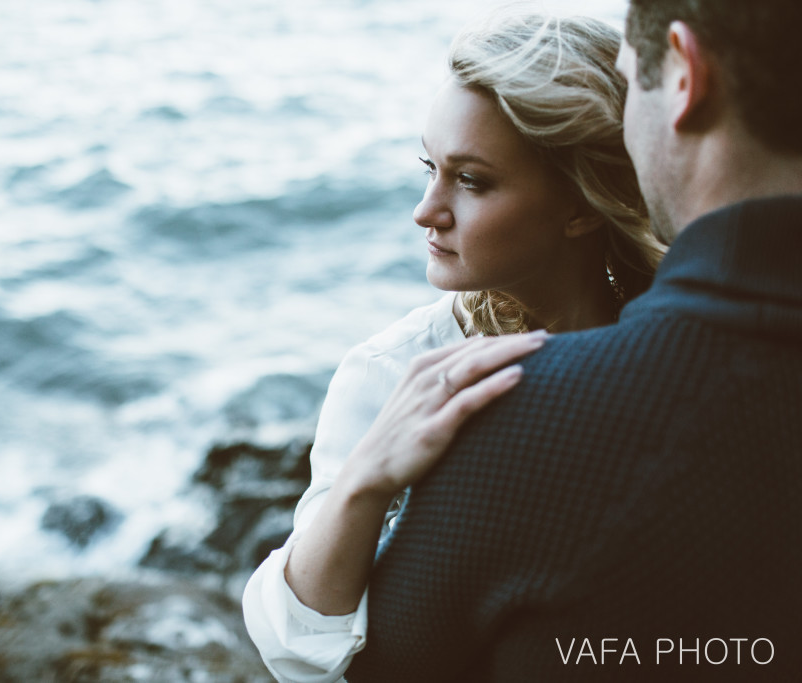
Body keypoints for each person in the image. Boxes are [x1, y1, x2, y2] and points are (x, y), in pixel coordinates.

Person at [343, 0, 802, 680]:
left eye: (630, 80)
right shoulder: (412, 370)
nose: (426, 210)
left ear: (683, 74)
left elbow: (372, 669)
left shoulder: (522, 421)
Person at [242, 13, 665, 683]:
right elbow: (297, 650)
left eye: (470, 180)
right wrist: (368, 478)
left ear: (582, 204)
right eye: (429, 168)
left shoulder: (677, 348)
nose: (425, 209)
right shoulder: (393, 372)